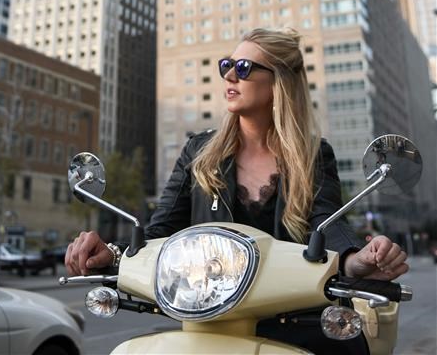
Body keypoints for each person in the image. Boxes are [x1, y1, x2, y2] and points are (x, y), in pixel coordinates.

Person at [66, 27, 408, 354]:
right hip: (211, 321)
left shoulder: (314, 155)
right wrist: (111, 255)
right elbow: (159, 233)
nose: (230, 75)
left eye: (243, 68)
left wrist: (353, 259)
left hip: (294, 318)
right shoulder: (199, 152)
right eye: (227, 66)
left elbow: (326, 223)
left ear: (279, 82)